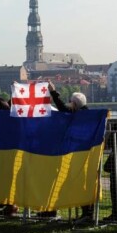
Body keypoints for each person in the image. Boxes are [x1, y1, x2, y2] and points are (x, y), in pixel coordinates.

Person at [48, 82, 93, 223]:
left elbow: (61, 107)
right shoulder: (87, 114)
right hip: (83, 153)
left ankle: (88, 213)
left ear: (74, 103)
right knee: (82, 184)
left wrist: (54, 91)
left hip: (81, 154)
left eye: (71, 102)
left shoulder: (80, 115)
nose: (68, 104)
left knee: (82, 184)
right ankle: (87, 213)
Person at [0, 98, 19, 217]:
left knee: (4, 181)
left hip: (3, 154)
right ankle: (8, 205)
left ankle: (9, 206)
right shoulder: (9, 115)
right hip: (8, 154)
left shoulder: (1, 118)